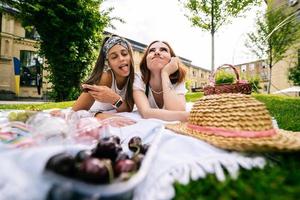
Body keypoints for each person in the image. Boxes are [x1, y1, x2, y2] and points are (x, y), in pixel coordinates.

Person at [72, 35, 135, 118]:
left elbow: (128, 108)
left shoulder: (134, 79)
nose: (121, 59)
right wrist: (98, 115)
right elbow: (74, 113)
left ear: (130, 56)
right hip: (93, 114)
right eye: (114, 57)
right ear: (109, 63)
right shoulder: (105, 78)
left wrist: (115, 99)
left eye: (124, 54)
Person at [133, 40, 189, 122]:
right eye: (151, 50)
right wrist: (186, 116)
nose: (157, 52)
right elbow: (145, 113)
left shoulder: (178, 78)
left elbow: (178, 110)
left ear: (172, 59)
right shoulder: (138, 78)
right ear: (145, 61)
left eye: (163, 50)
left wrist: (165, 73)